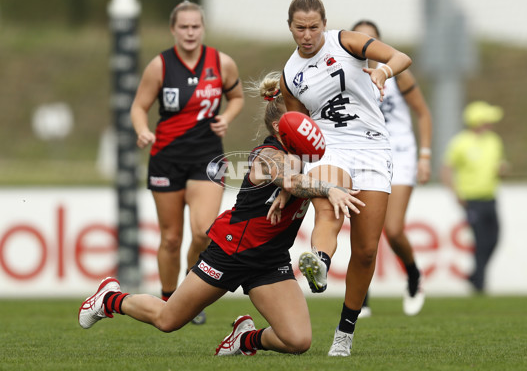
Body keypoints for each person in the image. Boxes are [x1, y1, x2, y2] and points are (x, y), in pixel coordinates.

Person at [79, 72, 365, 356]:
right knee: (167, 320)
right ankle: (110, 298)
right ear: (281, 127)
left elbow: (296, 179)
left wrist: (302, 187)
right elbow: (289, 179)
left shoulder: (308, 159)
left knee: (298, 341)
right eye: (303, 118)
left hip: (270, 259)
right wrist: (328, 189)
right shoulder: (265, 155)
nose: (311, 124)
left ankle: (245, 339)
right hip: (232, 251)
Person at [280, 0, 412, 356]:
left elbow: (402, 57)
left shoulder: (346, 41)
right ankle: (319, 262)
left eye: (313, 28)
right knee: (329, 206)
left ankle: (345, 332)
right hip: (330, 148)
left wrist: (383, 72)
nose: (307, 36)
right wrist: (294, 179)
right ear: (289, 27)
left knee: (367, 249)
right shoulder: (291, 74)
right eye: (300, 29)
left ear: (324, 23)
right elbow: (297, 130)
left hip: (372, 146)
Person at [130, 1, 244, 324]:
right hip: (166, 159)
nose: (190, 32)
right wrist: (142, 131)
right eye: (184, 26)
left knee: (204, 233)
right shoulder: (160, 66)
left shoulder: (221, 63)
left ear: (203, 28)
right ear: (173, 30)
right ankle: (169, 301)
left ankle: (190, 293)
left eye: (196, 26)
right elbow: (139, 107)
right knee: (170, 238)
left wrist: (227, 117)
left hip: (207, 158)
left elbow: (236, 97)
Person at [351, 20, 433, 317]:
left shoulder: (398, 73)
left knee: (394, 229)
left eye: (372, 39)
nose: (366, 45)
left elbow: (422, 113)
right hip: (366, 154)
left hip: (399, 152)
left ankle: (413, 275)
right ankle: (363, 297)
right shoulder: (346, 72)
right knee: (362, 233)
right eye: (361, 38)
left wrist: (424, 155)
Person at [440, 100, 508, 293]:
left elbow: (499, 167)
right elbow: (446, 169)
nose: (491, 123)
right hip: (471, 201)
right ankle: (480, 284)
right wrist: (455, 193)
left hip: (490, 197)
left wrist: (502, 171)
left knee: (494, 238)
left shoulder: (494, 141)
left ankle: (475, 275)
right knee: (480, 240)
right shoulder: (460, 143)